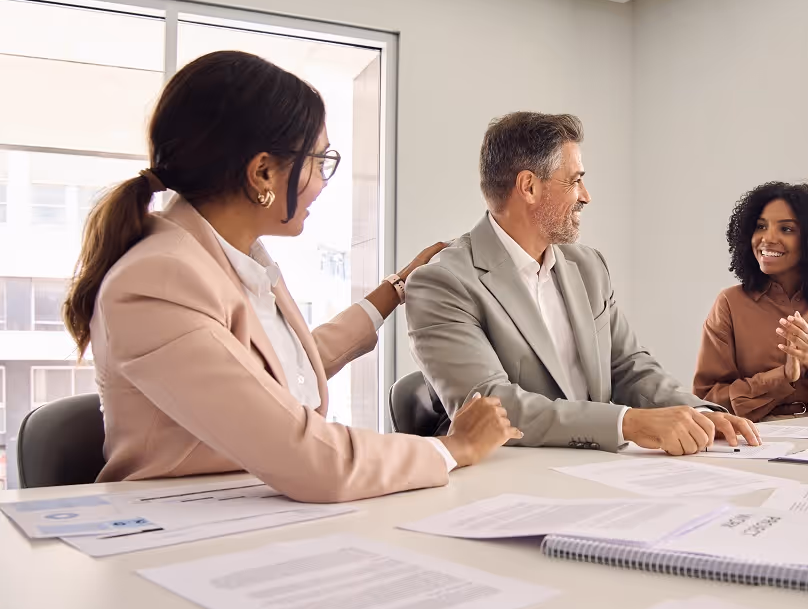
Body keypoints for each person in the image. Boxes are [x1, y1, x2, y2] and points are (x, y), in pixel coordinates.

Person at [64, 51, 519, 503]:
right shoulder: (157, 282)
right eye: (319, 162)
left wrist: (395, 291)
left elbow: (280, 369)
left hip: (257, 507)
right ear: (262, 172)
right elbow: (310, 457)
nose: (323, 182)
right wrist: (450, 448)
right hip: (181, 529)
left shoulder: (235, 260)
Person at [405, 112, 760, 455]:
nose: (586, 195)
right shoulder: (442, 283)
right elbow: (493, 406)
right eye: (575, 180)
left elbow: (628, 366)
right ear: (529, 186)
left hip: (600, 471)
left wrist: (701, 414)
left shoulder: (588, 266)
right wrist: (628, 423)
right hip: (511, 481)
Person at [692, 182, 808, 422]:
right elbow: (708, 401)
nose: (767, 239)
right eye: (760, 226)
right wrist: (783, 376)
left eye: (787, 229)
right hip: (755, 439)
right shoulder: (730, 303)